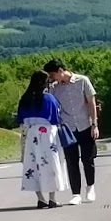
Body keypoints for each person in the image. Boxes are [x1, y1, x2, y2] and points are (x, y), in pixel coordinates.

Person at [44, 59, 98, 205]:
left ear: (60, 71)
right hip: (67, 129)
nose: (52, 78)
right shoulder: (54, 88)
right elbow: (52, 107)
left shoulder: (82, 81)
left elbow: (91, 103)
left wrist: (94, 124)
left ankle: (90, 186)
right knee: (71, 161)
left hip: (85, 124)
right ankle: (76, 193)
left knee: (88, 159)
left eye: (52, 75)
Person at [15, 70, 70, 209]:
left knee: (32, 164)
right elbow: (56, 117)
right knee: (51, 164)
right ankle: (52, 198)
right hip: (47, 133)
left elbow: (19, 118)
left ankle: (40, 198)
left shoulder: (25, 99)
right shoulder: (49, 99)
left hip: (29, 133)